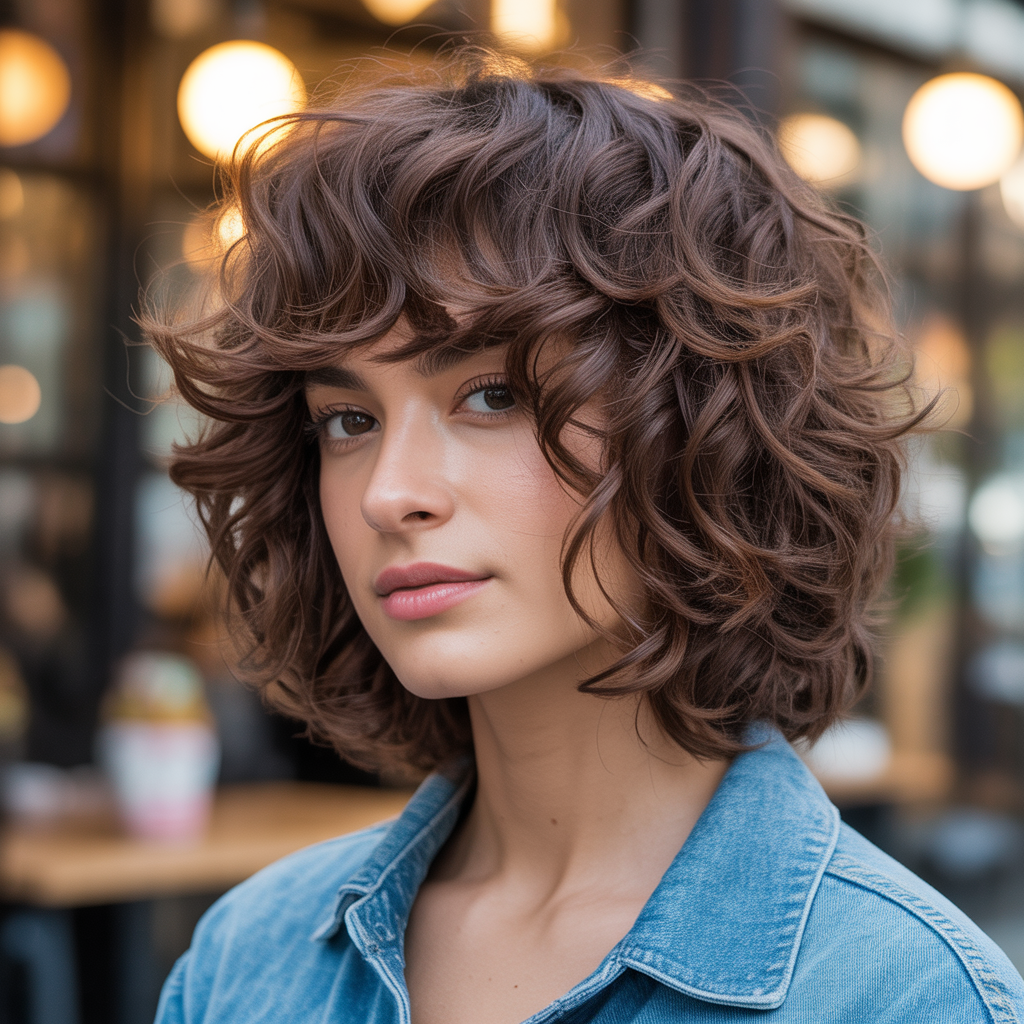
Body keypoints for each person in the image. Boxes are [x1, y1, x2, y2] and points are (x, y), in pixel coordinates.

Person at [147, 48, 1024, 1024]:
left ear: (704, 430)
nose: (389, 495)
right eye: (346, 420)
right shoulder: (250, 958)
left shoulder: (896, 997)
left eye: (492, 395)